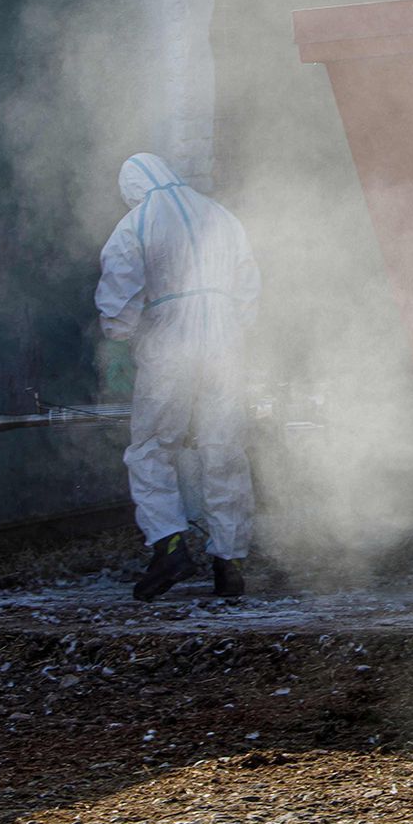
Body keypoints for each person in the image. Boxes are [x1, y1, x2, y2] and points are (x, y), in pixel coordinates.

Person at [96, 152, 260, 601]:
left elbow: (119, 292)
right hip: (226, 345)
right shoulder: (222, 215)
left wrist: (117, 340)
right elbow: (249, 289)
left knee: (152, 447)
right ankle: (230, 561)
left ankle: (169, 544)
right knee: (223, 447)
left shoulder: (138, 221)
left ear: (133, 186)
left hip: (170, 347)